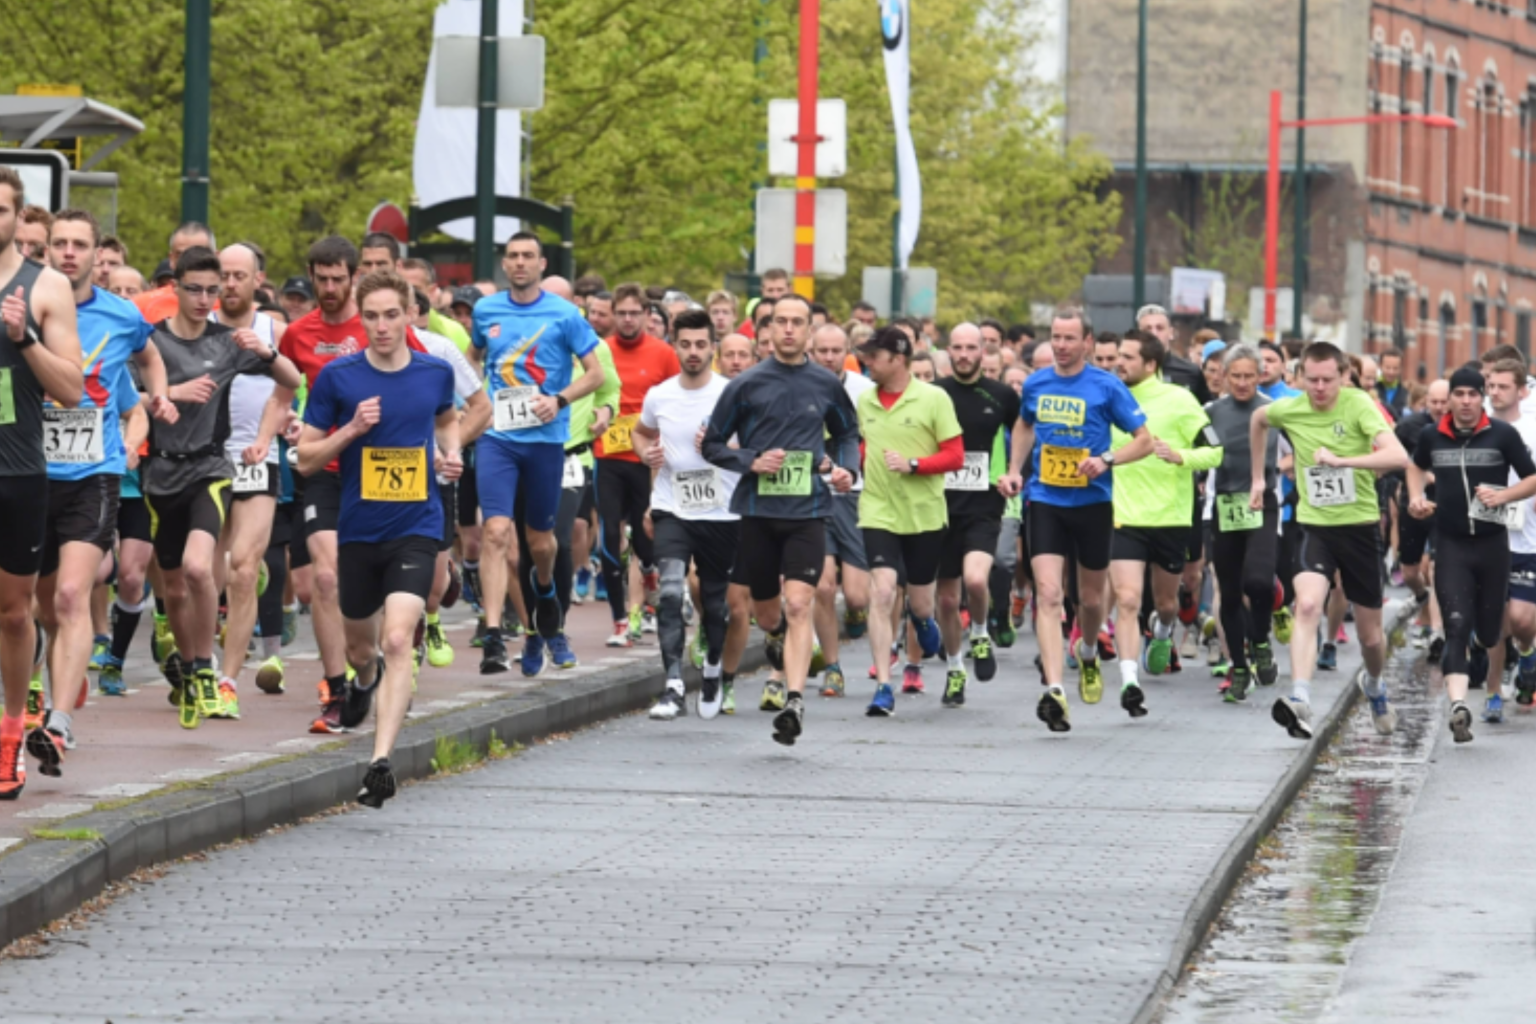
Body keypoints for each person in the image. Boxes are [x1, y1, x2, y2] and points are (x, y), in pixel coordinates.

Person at [297, 269, 461, 807]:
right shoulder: (338, 378)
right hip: (360, 530)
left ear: (410, 314)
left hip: (417, 526)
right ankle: (363, 681)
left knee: (397, 640)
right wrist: (351, 430)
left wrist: (450, 454)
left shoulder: (435, 372)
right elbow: (305, 459)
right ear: (360, 319)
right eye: (371, 316)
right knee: (362, 648)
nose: (383, 326)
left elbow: (447, 420)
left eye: (392, 315)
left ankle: (380, 761)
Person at [143, 246, 301, 729]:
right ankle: (191, 666)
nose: (204, 299)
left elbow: (292, 379)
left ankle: (207, 671)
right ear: (175, 288)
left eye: (212, 291)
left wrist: (267, 353)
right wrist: (169, 395)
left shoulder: (227, 342)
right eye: (195, 289)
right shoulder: (152, 340)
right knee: (174, 587)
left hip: (211, 471)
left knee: (201, 568)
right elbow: (126, 394)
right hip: (161, 475)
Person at [702, 294, 860, 746]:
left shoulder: (825, 383)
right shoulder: (745, 385)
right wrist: (751, 461)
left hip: (808, 512)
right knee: (769, 613)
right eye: (780, 322)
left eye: (797, 322)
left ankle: (793, 701)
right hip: (758, 513)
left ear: (809, 331)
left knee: (798, 604)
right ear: (767, 331)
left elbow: (847, 432)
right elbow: (712, 444)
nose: (788, 329)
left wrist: (846, 469)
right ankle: (775, 637)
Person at [1000, 307, 1153, 733]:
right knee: (1048, 594)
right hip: (1045, 500)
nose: (1062, 346)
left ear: (1087, 342)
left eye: (1070, 338)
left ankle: (1087, 651)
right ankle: (1054, 690)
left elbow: (1144, 441)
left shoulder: (1107, 386)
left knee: (1089, 599)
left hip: (1092, 504)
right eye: (1056, 337)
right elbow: (1025, 425)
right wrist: (1014, 469)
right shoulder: (1037, 382)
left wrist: (1107, 459)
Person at [1250, 341, 1407, 740]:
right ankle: (1300, 698)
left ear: (1344, 376)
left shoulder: (1358, 405)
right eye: (1312, 380)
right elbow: (1258, 419)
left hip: (1360, 528)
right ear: (1300, 377)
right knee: (1306, 605)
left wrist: (1343, 462)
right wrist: (1258, 479)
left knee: (1371, 637)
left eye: (1327, 380)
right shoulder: (1291, 408)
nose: (1319, 388)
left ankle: (1374, 685)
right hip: (1314, 526)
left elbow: (1398, 456)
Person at [467, 234, 605, 673]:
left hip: (545, 441)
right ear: (504, 264)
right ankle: (493, 635)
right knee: (494, 531)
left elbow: (596, 374)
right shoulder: (486, 310)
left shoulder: (564, 314)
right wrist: (473, 401)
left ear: (542, 264)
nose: (520, 262)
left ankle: (545, 592)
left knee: (542, 544)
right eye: (513, 256)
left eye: (528, 256)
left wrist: (559, 400)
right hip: (498, 439)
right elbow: (472, 358)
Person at [0, 168, 86, 799]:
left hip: (17, 472)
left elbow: (72, 388)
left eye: (0, 210)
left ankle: (10, 733)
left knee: (12, 612)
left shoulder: (44, 286)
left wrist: (24, 338)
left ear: (17, 216)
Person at [1407, 366, 1536, 744]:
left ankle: (1496, 652)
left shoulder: (1502, 434)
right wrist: (1416, 497)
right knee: (1456, 625)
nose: (1466, 401)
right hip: (1451, 544)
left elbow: (1532, 477)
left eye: (1473, 394)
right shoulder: (1432, 436)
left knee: (1491, 631)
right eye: (1459, 394)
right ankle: (1459, 706)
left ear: (1482, 398)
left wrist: (1504, 495)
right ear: (1449, 398)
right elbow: (1415, 466)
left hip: (1494, 545)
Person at [1105, 329, 1221, 715]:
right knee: (1127, 599)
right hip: (1123, 515)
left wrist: (1181, 457)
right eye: (1118, 356)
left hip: (1170, 517)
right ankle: (1130, 681)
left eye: (1128, 357)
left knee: (1167, 603)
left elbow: (1216, 451)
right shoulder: (1108, 396)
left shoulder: (1181, 400)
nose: (1119, 363)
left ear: (1150, 364)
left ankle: (1163, 630)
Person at [633, 310, 739, 720]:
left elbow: (755, 447)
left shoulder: (732, 393)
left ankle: (712, 667)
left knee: (713, 601)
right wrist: (647, 453)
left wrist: (723, 447)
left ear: (713, 347)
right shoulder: (659, 395)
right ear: (674, 346)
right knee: (671, 592)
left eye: (700, 344)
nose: (693, 352)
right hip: (671, 506)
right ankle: (673, 684)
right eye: (685, 344)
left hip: (721, 512)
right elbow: (641, 432)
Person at [855, 327, 964, 717]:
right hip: (878, 510)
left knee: (919, 602)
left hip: (923, 514)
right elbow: (864, 444)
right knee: (883, 592)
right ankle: (884, 686)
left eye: (874, 356)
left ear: (898, 358)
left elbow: (955, 456)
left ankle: (924, 620)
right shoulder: (865, 400)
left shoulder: (934, 398)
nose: (867, 363)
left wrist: (913, 464)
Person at [209, 243, 296, 714]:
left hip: (256, 458)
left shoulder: (275, 331)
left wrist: (268, 436)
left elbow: (289, 389)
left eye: (239, 275)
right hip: (205, 461)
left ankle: (227, 680)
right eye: (223, 274)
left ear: (258, 280)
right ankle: (201, 662)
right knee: (203, 573)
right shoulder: (198, 327)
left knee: (243, 569)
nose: (230, 283)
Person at [933, 323, 1020, 706]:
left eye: (972, 347)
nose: (965, 354)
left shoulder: (1000, 394)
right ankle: (955, 671)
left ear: (984, 352)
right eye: (958, 347)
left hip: (984, 504)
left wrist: (1014, 471)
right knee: (947, 601)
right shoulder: (934, 394)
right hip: (940, 506)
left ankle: (981, 632)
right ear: (948, 351)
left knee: (975, 579)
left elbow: (1025, 431)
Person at [592, 281, 679, 646]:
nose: (627, 319)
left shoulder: (663, 354)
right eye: (621, 313)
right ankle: (619, 619)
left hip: (647, 459)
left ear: (646, 315)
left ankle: (649, 570)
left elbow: (677, 401)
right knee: (610, 536)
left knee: (646, 537)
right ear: (613, 315)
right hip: (608, 455)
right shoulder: (599, 350)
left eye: (634, 313)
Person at [1204, 344, 1281, 701]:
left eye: (1249, 376)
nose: (1242, 383)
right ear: (1223, 375)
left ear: (1260, 375)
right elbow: (1199, 450)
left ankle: (1261, 640)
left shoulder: (1273, 410)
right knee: (1231, 592)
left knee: (1259, 581)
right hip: (1226, 505)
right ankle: (1238, 666)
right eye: (1235, 376)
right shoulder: (1211, 412)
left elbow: (1297, 450)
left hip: (1262, 503)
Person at [806, 323, 874, 698]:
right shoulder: (799, 386)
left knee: (858, 595)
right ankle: (832, 668)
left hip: (855, 496)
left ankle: (857, 612)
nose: (829, 358)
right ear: (811, 351)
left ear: (847, 352)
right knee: (823, 586)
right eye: (822, 351)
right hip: (814, 495)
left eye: (836, 351)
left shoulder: (864, 391)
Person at [133, 223, 215, 323]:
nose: (190, 262)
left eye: (198, 254)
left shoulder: (228, 304)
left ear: (216, 258)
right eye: (181, 255)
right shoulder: (142, 306)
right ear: (171, 259)